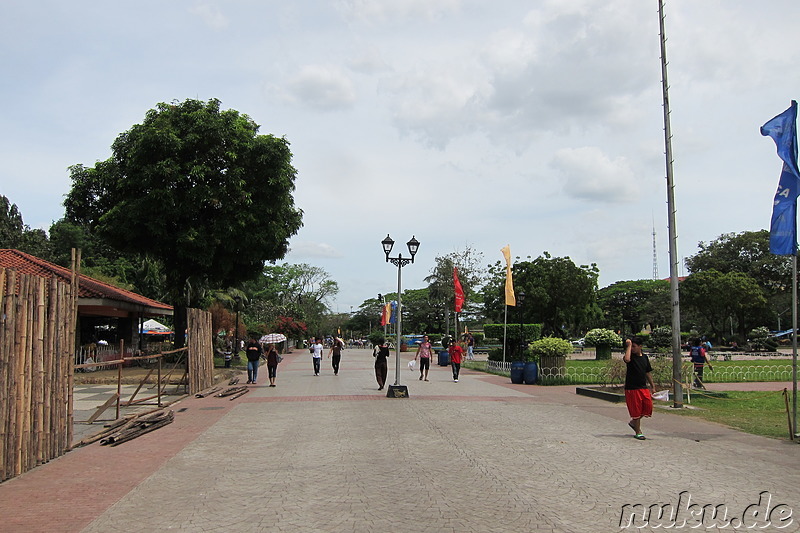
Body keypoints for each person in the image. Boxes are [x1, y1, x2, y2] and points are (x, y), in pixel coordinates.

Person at [623, 337, 655, 440]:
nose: (632, 349)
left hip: (643, 387)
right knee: (636, 411)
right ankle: (638, 431)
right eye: (631, 347)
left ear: (640, 346)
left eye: (634, 347)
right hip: (632, 388)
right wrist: (628, 346)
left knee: (647, 407)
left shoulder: (644, 358)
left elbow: (647, 372)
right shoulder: (630, 357)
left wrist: (652, 386)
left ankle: (633, 423)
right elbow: (627, 359)